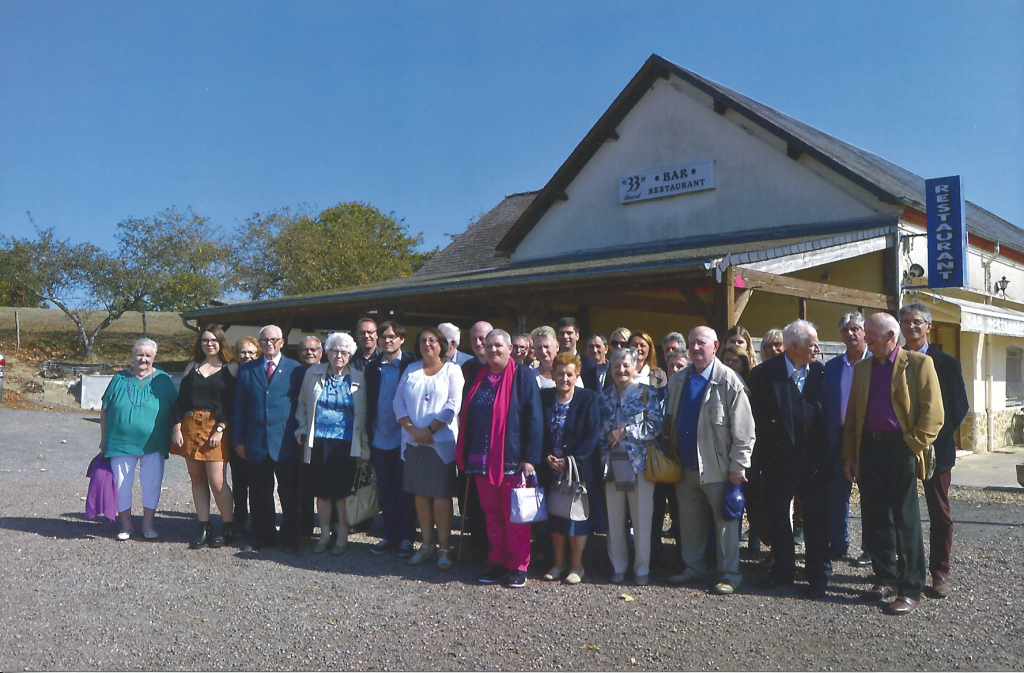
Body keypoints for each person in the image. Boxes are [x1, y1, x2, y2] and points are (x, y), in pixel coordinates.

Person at [842, 312, 943, 615]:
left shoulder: (918, 364)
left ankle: (910, 587)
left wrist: (911, 445)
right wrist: (850, 454)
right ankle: (885, 576)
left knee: (905, 519)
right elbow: (852, 416)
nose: (865, 338)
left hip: (901, 448)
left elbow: (933, 413)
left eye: (870, 334)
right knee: (874, 516)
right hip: (870, 448)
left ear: (890, 336)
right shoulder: (862, 368)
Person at [663, 326, 754, 595]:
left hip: (719, 468)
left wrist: (738, 466)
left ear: (715, 346)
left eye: (701, 343)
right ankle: (694, 568)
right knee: (690, 524)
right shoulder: (678, 380)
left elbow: (745, 431)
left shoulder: (729, 381)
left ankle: (729, 575)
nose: (695, 348)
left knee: (726, 526)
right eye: (691, 343)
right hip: (685, 466)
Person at [748, 320, 831, 599]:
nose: (817, 348)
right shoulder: (763, 375)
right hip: (778, 462)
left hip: (815, 463)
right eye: (812, 344)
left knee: (816, 520)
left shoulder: (821, 373)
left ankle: (818, 576)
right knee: (778, 518)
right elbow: (756, 422)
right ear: (794, 347)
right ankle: (783, 570)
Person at [456, 329, 543, 588]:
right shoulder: (477, 375)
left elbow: (534, 418)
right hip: (480, 458)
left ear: (509, 349)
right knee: (491, 513)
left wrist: (529, 458)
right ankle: (499, 560)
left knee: (514, 515)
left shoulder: (522, 376)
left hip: (512, 459)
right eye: (489, 345)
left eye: (498, 346)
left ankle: (519, 564)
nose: (493, 350)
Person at [899, 303, 969, 599]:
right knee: (899, 512)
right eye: (905, 322)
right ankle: (900, 571)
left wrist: (931, 437)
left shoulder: (947, 362)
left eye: (917, 322)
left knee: (939, 513)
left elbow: (958, 407)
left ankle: (940, 573)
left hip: (935, 450)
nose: (911, 327)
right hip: (898, 448)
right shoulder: (893, 360)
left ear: (928, 326)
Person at [394, 326, 465, 570]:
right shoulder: (411, 369)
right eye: (423, 340)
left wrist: (430, 430)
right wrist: (413, 430)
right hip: (412, 442)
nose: (427, 344)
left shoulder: (452, 371)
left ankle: (444, 547)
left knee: (440, 497)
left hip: (440, 444)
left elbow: (452, 405)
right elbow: (398, 401)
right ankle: (426, 544)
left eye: (432, 340)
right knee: (420, 495)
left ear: (442, 344)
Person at [294, 332, 369, 555]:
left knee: (342, 493)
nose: (339, 355)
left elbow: (364, 414)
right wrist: (302, 428)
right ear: (326, 352)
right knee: (322, 492)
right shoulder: (313, 373)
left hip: (346, 444)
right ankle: (325, 533)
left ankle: (342, 534)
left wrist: (364, 445)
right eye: (335, 351)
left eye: (344, 352)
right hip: (319, 442)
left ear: (350, 355)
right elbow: (302, 405)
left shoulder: (359, 377)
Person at [233, 324, 306, 553]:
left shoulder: (295, 369)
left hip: (285, 441)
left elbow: (301, 405)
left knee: (289, 492)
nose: (269, 344)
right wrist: (238, 439)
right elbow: (239, 408)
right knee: (259, 492)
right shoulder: (247, 371)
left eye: (274, 340)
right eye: (264, 340)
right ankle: (263, 535)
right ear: (259, 343)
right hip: (256, 441)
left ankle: (290, 536)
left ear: (282, 342)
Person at [100, 338, 178, 541]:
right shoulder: (119, 378)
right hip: (120, 442)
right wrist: (103, 437)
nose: (143, 359)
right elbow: (105, 408)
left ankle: (148, 523)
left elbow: (176, 410)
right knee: (121, 485)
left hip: (153, 443)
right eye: (139, 354)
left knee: (151, 484)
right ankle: (126, 525)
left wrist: (175, 432)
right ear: (133, 355)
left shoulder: (163, 380)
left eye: (148, 355)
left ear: (154, 357)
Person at [599, 346, 663, 585]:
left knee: (641, 520)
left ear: (635, 367)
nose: (621, 370)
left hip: (639, 465)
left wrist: (626, 432)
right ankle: (617, 567)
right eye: (616, 366)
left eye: (626, 365)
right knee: (614, 521)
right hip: (611, 465)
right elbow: (598, 429)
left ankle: (641, 570)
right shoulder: (604, 396)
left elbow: (656, 425)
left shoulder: (646, 393)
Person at [171, 325, 239, 549]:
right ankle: (203, 526)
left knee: (217, 481)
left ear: (221, 342)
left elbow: (230, 402)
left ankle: (228, 526)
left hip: (215, 427)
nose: (209, 344)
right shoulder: (193, 366)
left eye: (213, 340)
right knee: (197, 479)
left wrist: (220, 429)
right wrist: (177, 427)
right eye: (205, 340)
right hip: (190, 424)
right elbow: (181, 399)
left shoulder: (231, 367)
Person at [540, 352, 600, 585]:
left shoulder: (588, 399)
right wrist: (545, 455)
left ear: (577, 376)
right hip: (550, 467)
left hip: (578, 468)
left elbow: (591, 434)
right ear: (553, 375)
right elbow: (537, 429)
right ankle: (558, 563)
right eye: (560, 373)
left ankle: (577, 565)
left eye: (569, 374)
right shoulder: (544, 397)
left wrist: (570, 460)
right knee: (556, 516)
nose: (564, 378)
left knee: (576, 517)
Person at [364, 321, 418, 558]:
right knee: (385, 489)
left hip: (404, 438)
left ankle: (407, 538)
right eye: (384, 336)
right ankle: (390, 535)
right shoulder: (372, 366)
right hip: (379, 437)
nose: (387, 340)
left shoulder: (412, 364)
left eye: (392, 336)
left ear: (402, 339)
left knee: (405, 490)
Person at [823, 313, 872, 567]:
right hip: (838, 437)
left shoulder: (877, 364)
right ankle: (838, 544)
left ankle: (870, 549)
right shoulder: (832, 367)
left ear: (865, 332)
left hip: (867, 438)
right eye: (846, 330)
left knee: (870, 495)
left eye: (855, 329)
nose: (851, 334)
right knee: (836, 493)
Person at [458, 320, 494, 559]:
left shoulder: (505, 368)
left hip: (495, 443)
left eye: (484, 338)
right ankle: (478, 543)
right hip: (471, 441)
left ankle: (495, 546)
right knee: (470, 499)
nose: (479, 343)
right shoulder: (466, 368)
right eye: (475, 339)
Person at [231, 336, 260, 533]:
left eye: (251, 352)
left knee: (258, 483)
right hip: (235, 433)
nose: (247, 355)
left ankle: (259, 521)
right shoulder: (230, 373)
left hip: (256, 435)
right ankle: (239, 519)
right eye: (242, 352)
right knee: (239, 481)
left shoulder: (260, 372)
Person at [297, 335, 325, 538]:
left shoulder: (329, 371)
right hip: (301, 436)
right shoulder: (295, 372)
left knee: (326, 483)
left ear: (321, 352)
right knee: (303, 484)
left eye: (314, 349)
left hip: (326, 437)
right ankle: (305, 524)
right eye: (305, 349)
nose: (310, 352)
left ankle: (329, 524)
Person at [556, 317, 599, 390]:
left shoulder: (589, 366)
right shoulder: (552, 363)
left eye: (569, 333)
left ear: (577, 336)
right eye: (561, 333)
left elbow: (594, 395)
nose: (565, 336)